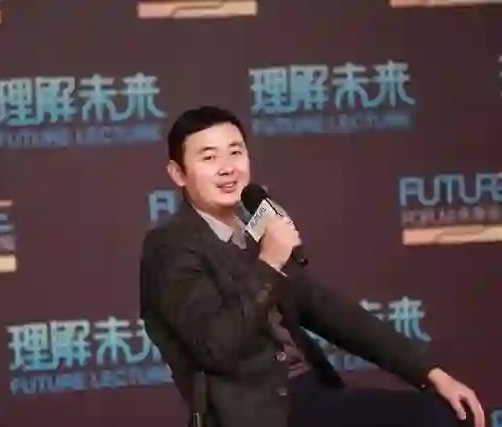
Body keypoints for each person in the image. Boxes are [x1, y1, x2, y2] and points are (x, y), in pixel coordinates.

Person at [138, 105, 486, 427]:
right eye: (209, 157)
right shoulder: (169, 246)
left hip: (310, 393)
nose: (228, 167)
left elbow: (333, 313)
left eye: (235, 152)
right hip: (259, 414)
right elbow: (216, 345)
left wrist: (429, 372)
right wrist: (270, 261)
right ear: (178, 173)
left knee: (450, 412)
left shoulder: (255, 232)